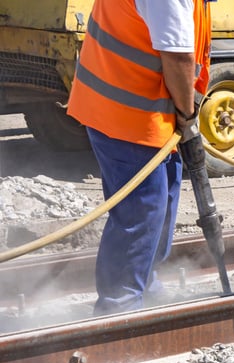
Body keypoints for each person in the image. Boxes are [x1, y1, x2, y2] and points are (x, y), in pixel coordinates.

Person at [67, 0, 213, 315]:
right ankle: (119, 308)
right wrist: (188, 114)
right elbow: (177, 57)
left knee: (162, 203)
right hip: (129, 116)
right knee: (141, 211)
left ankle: (145, 285)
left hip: (142, 110)